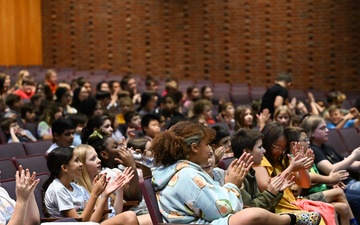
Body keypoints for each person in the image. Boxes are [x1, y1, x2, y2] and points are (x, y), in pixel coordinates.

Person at [150, 121, 321, 225]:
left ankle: (291, 219)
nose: (210, 150)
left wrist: (225, 179)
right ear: (194, 148)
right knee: (252, 215)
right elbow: (225, 210)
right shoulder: (186, 174)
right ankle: (290, 220)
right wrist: (232, 184)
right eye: (207, 144)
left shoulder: (184, 171)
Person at [42, 147, 139, 224]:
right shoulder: (58, 189)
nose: (81, 164)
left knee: (134, 216)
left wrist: (105, 195)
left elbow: (95, 220)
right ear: (64, 167)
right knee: (129, 216)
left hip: (91, 223)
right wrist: (94, 194)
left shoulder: (77, 188)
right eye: (76, 161)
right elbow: (79, 223)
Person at [285, 126, 358, 225]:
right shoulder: (291, 159)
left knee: (343, 207)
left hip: (320, 191)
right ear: (294, 144)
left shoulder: (309, 154)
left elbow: (313, 178)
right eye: (305, 140)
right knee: (340, 193)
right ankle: (354, 222)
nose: (308, 142)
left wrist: (331, 183)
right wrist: (329, 180)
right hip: (303, 197)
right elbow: (304, 184)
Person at [75, 144, 151, 225]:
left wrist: (120, 188)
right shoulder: (80, 190)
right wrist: (105, 196)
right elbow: (96, 220)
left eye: (97, 157)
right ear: (82, 165)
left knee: (154, 217)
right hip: (97, 223)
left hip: (110, 221)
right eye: (92, 159)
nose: (98, 160)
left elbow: (116, 213)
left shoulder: (101, 181)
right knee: (129, 216)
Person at [300, 115, 360, 194]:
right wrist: (353, 156)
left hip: (352, 182)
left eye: (326, 127)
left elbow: (350, 164)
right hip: (342, 186)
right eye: (322, 128)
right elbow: (331, 170)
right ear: (311, 133)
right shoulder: (312, 150)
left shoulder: (326, 146)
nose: (327, 130)